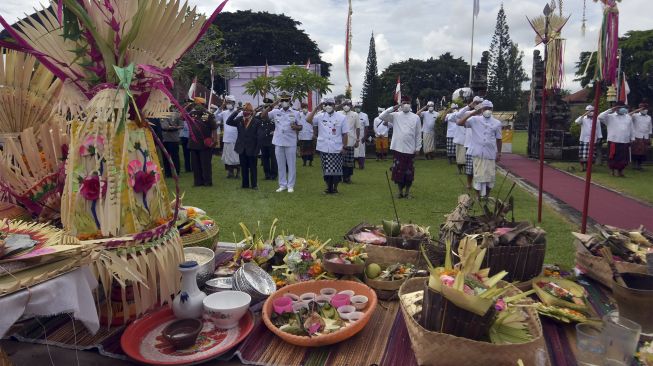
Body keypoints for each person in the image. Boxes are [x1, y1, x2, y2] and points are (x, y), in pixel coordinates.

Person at [379, 96, 422, 199]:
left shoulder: (416, 117)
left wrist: (418, 148)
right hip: (398, 148)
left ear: (410, 104)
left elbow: (418, 134)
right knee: (398, 172)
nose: (406, 104)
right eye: (404, 102)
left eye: (407, 102)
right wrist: (394, 107)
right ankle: (399, 192)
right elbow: (381, 116)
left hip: (410, 149)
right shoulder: (395, 115)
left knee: (409, 173)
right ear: (401, 104)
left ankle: (407, 192)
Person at [457, 100, 502, 198]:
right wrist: (473, 113)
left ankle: (486, 196)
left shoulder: (497, 123)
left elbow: (499, 139)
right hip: (477, 152)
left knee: (490, 177)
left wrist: (499, 153)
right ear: (481, 109)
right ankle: (478, 196)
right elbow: (459, 123)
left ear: (492, 109)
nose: (487, 110)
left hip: (490, 153)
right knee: (478, 176)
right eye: (485, 108)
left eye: (489, 109)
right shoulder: (474, 120)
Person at [263, 92, 303, 193]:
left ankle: (290, 185)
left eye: (286, 100)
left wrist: (296, 127)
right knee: (280, 165)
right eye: (282, 100)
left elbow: (301, 126)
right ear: (280, 101)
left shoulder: (295, 113)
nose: (284, 102)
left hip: (290, 142)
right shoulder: (275, 111)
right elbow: (263, 116)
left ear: (290, 101)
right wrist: (273, 105)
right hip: (278, 141)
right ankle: (282, 185)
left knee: (291, 165)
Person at [307, 97, 348, 194]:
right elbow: (308, 120)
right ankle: (327, 188)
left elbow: (345, 134)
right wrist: (317, 108)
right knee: (326, 169)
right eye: (326, 104)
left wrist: (344, 147)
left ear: (334, 105)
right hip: (324, 147)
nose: (328, 106)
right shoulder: (320, 116)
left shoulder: (341, 117)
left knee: (336, 170)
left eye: (330, 104)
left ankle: (335, 188)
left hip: (336, 148)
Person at [226, 103, 263, 189]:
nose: (245, 112)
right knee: (244, 167)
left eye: (247, 110)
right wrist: (236, 112)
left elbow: (259, 137)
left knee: (253, 168)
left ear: (251, 111)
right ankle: (245, 184)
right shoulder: (239, 119)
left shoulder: (256, 121)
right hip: (241, 148)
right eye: (244, 110)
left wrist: (257, 149)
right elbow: (228, 122)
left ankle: (254, 185)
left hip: (252, 148)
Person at [186, 97, 218, 187]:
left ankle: (207, 182)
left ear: (202, 105)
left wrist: (215, 140)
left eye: (197, 104)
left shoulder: (206, 114)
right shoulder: (192, 114)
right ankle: (198, 182)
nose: (196, 106)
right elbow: (181, 116)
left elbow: (214, 127)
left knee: (205, 164)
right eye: (195, 104)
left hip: (205, 143)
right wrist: (188, 106)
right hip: (193, 143)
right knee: (195, 165)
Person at [454, 97, 484, 189]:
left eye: (480, 103)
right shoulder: (468, 113)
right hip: (470, 144)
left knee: (480, 167)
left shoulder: (485, 115)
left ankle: (479, 184)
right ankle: (469, 183)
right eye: (476, 102)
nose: (478, 104)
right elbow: (458, 116)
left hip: (481, 145)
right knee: (470, 167)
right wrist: (469, 107)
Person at [598, 103, 634, 177]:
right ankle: (612, 171)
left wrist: (632, 138)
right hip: (614, 140)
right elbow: (600, 117)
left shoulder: (628, 117)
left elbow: (631, 128)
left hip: (625, 141)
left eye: (623, 107)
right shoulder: (610, 117)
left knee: (623, 158)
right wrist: (611, 110)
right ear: (616, 108)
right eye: (620, 107)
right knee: (613, 157)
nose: (622, 109)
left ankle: (620, 172)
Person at [217, 95, 240, 179]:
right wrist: (221, 107)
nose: (228, 104)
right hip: (227, 138)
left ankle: (238, 172)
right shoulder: (224, 112)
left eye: (230, 103)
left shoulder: (238, 112)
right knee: (228, 157)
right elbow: (215, 117)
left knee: (236, 156)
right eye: (227, 103)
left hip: (236, 138)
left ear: (234, 103)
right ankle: (230, 172)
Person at [574, 105, 603, 172]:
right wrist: (584, 114)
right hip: (584, 139)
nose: (590, 112)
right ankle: (582, 166)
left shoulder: (597, 120)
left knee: (591, 155)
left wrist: (599, 137)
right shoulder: (583, 119)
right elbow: (577, 122)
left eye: (592, 111)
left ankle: (588, 167)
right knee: (582, 154)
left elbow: (599, 129)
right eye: (588, 111)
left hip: (593, 140)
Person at [340, 99, 361, 183]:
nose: (346, 106)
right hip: (340, 141)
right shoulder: (338, 113)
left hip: (351, 140)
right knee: (341, 161)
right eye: (345, 104)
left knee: (349, 161)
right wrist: (341, 104)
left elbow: (358, 128)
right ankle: (341, 177)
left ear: (351, 106)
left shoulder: (355, 114)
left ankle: (348, 178)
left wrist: (357, 140)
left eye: (348, 104)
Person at [258, 98, 278, 181]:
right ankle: (267, 174)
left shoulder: (276, 113)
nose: (266, 107)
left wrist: (275, 131)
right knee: (264, 158)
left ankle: (273, 174)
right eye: (265, 106)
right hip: (263, 139)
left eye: (268, 106)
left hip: (272, 139)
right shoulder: (262, 113)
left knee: (273, 158)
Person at [160, 109, 183, 177]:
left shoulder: (176, 114)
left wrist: (174, 127)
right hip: (164, 139)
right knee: (165, 157)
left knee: (174, 156)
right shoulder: (160, 114)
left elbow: (182, 125)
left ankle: (176, 172)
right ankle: (167, 173)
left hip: (173, 139)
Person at [630, 103, 652, 170]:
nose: (645, 110)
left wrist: (649, 137)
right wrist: (637, 110)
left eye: (645, 108)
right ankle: (635, 164)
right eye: (643, 108)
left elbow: (650, 127)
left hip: (645, 136)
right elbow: (628, 115)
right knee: (636, 151)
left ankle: (640, 165)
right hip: (636, 136)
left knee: (643, 152)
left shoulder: (649, 117)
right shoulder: (635, 115)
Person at [353, 102, 369, 169]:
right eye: (356, 107)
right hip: (353, 137)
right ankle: (352, 165)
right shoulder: (352, 114)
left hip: (361, 137)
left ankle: (361, 165)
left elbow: (366, 127)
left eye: (358, 107)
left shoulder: (365, 115)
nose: (357, 108)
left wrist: (364, 137)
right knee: (353, 151)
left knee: (361, 152)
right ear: (354, 108)